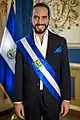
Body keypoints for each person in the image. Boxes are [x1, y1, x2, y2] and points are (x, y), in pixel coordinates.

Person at [14, 2, 71, 120]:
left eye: (44, 17)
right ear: (31, 19)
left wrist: (66, 99)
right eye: (36, 17)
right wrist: (18, 101)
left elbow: (65, 72)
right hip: (29, 98)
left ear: (49, 19)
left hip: (52, 97)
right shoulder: (22, 44)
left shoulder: (60, 42)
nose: (40, 21)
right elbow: (19, 75)